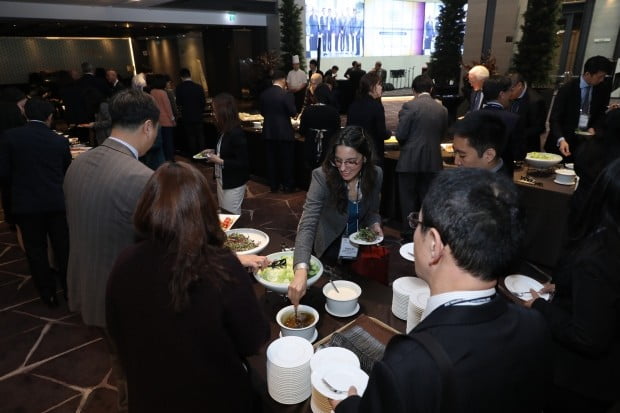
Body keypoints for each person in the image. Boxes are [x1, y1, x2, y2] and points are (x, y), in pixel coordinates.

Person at [332, 167, 551, 413]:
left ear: (434, 244)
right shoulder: (535, 325)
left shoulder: (410, 364)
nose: (415, 232)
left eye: (418, 222)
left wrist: (347, 406)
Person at [106, 161, 269, 413]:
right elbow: (253, 340)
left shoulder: (124, 261)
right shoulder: (220, 265)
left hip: (149, 395)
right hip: (214, 397)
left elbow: (117, 332)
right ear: (205, 210)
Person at [524, 158, 620, 413]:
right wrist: (566, 286)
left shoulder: (600, 255)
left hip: (580, 380)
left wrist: (540, 307)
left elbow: (587, 337)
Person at [64, 89, 160, 327]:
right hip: (123, 295)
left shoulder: (77, 164)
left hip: (86, 286)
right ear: (148, 126)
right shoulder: (143, 177)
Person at [290, 126, 383, 306]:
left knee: (355, 293)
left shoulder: (376, 175)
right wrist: (301, 268)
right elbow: (308, 222)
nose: (343, 168)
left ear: (364, 157)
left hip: (358, 245)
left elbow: (373, 211)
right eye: (338, 160)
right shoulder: (322, 177)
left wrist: (374, 224)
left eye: (351, 162)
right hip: (329, 244)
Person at [0, 98, 71, 307]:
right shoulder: (59, 141)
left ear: (25, 115)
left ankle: (47, 294)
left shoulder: (10, 137)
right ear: (49, 117)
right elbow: (66, 172)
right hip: (56, 202)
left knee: (35, 250)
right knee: (63, 248)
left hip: (26, 204)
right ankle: (69, 290)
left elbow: (3, 174)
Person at [396, 75, 448, 239]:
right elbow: (442, 134)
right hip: (433, 161)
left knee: (408, 200)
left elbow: (401, 134)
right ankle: (426, 235)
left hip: (409, 161)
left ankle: (408, 235)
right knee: (428, 200)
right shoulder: (442, 109)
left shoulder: (409, 106)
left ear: (413, 90)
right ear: (431, 89)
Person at [545, 55, 611, 158]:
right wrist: (561, 139)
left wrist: (594, 128)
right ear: (588, 74)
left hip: (585, 145)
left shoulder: (603, 90)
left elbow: (601, 114)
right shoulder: (567, 89)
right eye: (599, 77)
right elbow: (555, 119)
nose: (602, 80)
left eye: (604, 76)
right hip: (563, 142)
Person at [205, 93, 249, 215]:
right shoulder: (223, 129)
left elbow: (243, 163)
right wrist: (214, 152)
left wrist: (219, 161)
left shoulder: (236, 133)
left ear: (224, 112)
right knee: (224, 211)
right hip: (222, 178)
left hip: (234, 181)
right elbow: (227, 151)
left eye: (215, 111)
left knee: (231, 214)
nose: (213, 114)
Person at [260, 69, 297, 193]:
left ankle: (273, 186)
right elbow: (293, 113)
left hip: (268, 132)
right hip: (284, 133)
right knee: (286, 161)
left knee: (271, 161)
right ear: (283, 79)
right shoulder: (286, 94)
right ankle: (287, 186)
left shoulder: (264, 94)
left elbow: (262, 113)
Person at [480, 75, 525, 172]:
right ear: (502, 94)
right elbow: (519, 153)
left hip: (476, 171)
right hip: (501, 173)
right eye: (510, 91)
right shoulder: (513, 119)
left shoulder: (472, 116)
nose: (511, 95)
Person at [347, 71, 389, 166]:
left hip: (355, 151)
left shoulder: (354, 105)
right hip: (373, 153)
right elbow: (381, 132)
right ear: (371, 87)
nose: (381, 87)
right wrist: (389, 134)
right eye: (379, 84)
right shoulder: (376, 106)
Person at [452, 110, 510, 176]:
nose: (456, 162)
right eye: (454, 152)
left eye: (462, 156)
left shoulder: (496, 185)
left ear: (489, 155)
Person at [299, 83, 341, 172]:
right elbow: (338, 133)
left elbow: (302, 131)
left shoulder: (308, 110)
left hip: (310, 148)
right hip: (328, 149)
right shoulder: (334, 112)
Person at [508, 72, 546, 153]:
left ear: (519, 86)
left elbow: (539, 128)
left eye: (511, 90)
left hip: (526, 148)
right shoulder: (509, 96)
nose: (509, 93)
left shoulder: (535, 101)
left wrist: (516, 134)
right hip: (509, 145)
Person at [175, 68, 206, 156]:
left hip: (187, 116)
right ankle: (202, 156)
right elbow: (203, 102)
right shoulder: (198, 87)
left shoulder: (179, 88)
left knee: (191, 137)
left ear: (181, 77)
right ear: (190, 75)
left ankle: (194, 156)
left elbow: (178, 103)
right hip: (198, 115)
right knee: (200, 136)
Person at [149, 74, 176, 161]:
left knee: (162, 141)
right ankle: (170, 159)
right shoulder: (163, 93)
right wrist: (173, 119)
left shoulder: (152, 92)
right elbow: (168, 107)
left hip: (158, 121)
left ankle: (164, 159)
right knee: (169, 142)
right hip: (167, 121)